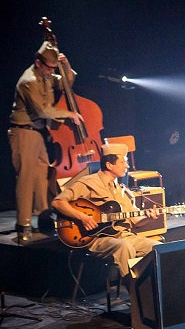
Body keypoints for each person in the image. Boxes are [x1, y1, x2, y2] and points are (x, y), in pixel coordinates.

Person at [51, 143, 159, 282]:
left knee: (158, 249)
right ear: (109, 165)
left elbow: (136, 222)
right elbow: (58, 202)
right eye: (123, 162)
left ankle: (152, 293)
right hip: (96, 238)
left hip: (123, 235)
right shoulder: (88, 183)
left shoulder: (122, 190)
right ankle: (135, 295)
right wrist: (82, 217)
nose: (127, 166)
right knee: (124, 247)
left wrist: (150, 218)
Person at [8, 41, 83, 242]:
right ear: (38, 63)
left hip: (38, 132)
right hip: (22, 132)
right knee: (26, 180)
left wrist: (65, 64)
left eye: (53, 68)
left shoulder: (47, 76)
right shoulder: (29, 81)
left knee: (42, 176)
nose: (52, 72)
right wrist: (69, 114)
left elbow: (68, 81)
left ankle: (42, 219)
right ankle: (23, 226)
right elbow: (43, 110)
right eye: (49, 68)